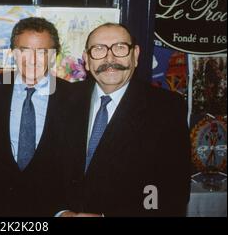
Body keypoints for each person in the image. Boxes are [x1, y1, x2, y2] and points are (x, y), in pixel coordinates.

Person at [61, 23, 191, 217]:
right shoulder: (65, 100)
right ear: (87, 60)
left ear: (135, 55)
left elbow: (171, 192)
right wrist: (61, 213)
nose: (110, 58)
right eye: (99, 49)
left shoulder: (167, 108)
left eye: (120, 47)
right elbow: (47, 170)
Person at [0, 17, 75, 216]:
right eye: (24, 50)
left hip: (52, 207)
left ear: (54, 56)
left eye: (42, 52)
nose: (32, 59)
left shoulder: (72, 97)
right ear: (12, 53)